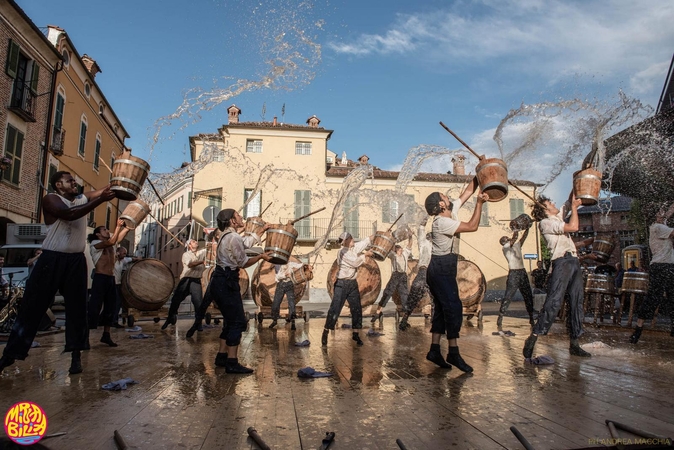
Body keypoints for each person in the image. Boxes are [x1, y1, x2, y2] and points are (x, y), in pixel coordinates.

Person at [0, 171, 115, 375]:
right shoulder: (51, 199)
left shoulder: (81, 198)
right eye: (70, 181)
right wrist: (100, 200)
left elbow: (102, 192)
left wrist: (116, 186)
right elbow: (70, 214)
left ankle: (76, 355)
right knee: (32, 306)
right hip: (51, 259)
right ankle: (10, 354)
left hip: (75, 261)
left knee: (78, 310)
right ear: (58, 185)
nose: (75, 182)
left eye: (74, 180)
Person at [424, 176, 487, 373]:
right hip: (440, 268)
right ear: (442, 204)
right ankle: (453, 352)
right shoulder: (441, 223)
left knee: (443, 310)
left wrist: (480, 175)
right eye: (445, 196)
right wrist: (480, 203)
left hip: (444, 267)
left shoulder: (451, 212)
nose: (448, 196)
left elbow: (467, 191)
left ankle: (434, 350)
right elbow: (472, 226)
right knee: (454, 308)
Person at [523, 192, 592, 360]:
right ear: (544, 210)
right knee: (554, 301)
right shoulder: (545, 223)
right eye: (550, 204)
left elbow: (569, 200)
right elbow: (573, 227)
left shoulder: (557, 216)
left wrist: (577, 181)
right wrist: (575, 209)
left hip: (573, 261)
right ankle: (534, 335)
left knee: (576, 302)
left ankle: (574, 343)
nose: (554, 204)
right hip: (561, 263)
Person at [210, 209, 271, 373]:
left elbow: (245, 243)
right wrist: (261, 257)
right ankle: (232, 362)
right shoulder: (233, 237)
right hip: (227, 282)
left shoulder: (225, 236)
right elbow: (243, 262)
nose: (241, 217)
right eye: (237, 215)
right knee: (238, 322)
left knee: (230, 321)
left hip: (219, 281)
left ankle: (221, 357)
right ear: (232, 221)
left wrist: (262, 230)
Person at [629, 203, 674, 343]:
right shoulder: (659, 228)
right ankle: (638, 329)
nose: (664, 212)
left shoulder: (659, 224)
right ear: (656, 215)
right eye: (661, 211)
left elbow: (670, 211)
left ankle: (639, 329)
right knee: (654, 297)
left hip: (668, 266)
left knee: (671, 297)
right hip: (661, 267)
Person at [321, 232, 374, 347]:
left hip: (352, 284)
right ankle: (325, 331)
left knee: (357, 309)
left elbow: (363, 244)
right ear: (346, 241)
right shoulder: (342, 252)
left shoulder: (352, 249)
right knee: (335, 309)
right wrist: (365, 255)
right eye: (350, 238)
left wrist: (372, 237)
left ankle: (356, 334)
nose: (353, 239)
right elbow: (355, 263)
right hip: (342, 284)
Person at [88, 220, 130, 347]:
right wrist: (117, 226)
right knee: (94, 308)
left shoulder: (110, 245)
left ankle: (106, 335)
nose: (107, 231)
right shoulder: (95, 244)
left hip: (110, 279)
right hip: (100, 278)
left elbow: (117, 239)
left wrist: (127, 228)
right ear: (98, 234)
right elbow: (112, 241)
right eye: (104, 230)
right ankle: (85, 336)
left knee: (110, 308)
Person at [161, 239, 207, 330]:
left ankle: (198, 323)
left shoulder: (202, 252)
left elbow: (210, 248)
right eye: (193, 242)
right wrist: (201, 262)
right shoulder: (186, 255)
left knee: (198, 302)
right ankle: (170, 318)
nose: (196, 242)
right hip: (186, 279)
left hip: (196, 280)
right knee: (176, 300)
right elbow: (190, 264)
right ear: (189, 245)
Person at [497, 228, 535, 327]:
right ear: (504, 242)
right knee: (508, 296)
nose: (508, 238)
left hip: (522, 272)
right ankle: (501, 315)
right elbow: (515, 237)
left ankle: (531, 317)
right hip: (514, 273)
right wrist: (516, 229)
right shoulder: (505, 247)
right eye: (506, 238)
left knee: (528, 296)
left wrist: (527, 228)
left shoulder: (516, 245)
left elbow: (523, 238)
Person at [370, 237, 413, 324]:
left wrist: (410, 236)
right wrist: (393, 240)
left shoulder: (405, 255)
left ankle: (405, 318)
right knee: (387, 293)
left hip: (403, 276)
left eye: (401, 248)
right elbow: (389, 249)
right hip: (395, 275)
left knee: (405, 296)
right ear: (396, 250)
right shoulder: (393, 255)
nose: (401, 250)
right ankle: (377, 313)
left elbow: (409, 245)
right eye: (399, 249)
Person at [398, 223, 432, 331]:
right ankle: (437, 325)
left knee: (412, 298)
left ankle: (404, 321)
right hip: (431, 273)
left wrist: (422, 224)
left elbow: (421, 232)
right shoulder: (434, 246)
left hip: (421, 274)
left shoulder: (423, 244)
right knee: (435, 300)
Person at [268, 262, 305, 329]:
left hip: (289, 285)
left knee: (292, 303)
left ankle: (292, 321)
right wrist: (285, 275)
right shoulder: (278, 265)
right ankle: (274, 320)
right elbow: (277, 277)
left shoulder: (290, 264)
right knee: (276, 303)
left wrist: (305, 265)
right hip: (281, 285)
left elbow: (298, 265)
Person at [113, 246, 139, 326]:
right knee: (115, 303)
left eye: (125, 254)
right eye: (123, 253)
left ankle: (114, 320)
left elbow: (131, 259)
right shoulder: (113, 261)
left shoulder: (122, 261)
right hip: (112, 284)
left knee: (118, 303)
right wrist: (115, 255)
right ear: (118, 252)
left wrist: (138, 259)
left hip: (118, 284)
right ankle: (113, 321)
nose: (125, 255)